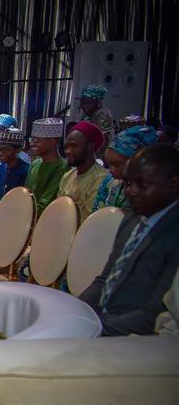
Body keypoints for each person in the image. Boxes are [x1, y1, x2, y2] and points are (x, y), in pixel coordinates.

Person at [78, 143, 179, 335]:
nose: (130, 192)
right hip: (103, 321)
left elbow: (153, 317)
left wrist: (92, 327)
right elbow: (104, 280)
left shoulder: (174, 235)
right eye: (128, 184)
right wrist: (74, 311)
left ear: (174, 184)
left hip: (136, 338)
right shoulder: (132, 220)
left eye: (142, 185)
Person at [93, 125, 158, 212]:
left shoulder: (147, 191)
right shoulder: (109, 182)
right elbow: (96, 212)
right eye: (108, 165)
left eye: (117, 165)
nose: (111, 170)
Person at [58, 120, 109, 223]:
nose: (67, 151)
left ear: (91, 147)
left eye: (73, 146)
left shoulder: (102, 179)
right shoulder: (67, 176)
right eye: (66, 147)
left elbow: (91, 221)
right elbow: (58, 210)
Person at [25, 117, 67, 213]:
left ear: (53, 141)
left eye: (37, 140)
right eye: (32, 139)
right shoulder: (35, 163)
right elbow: (26, 195)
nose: (32, 144)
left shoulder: (62, 167)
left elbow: (46, 204)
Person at [0, 127, 29, 204]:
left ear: (18, 150)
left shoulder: (25, 170)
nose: (1, 154)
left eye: (7, 150)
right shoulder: (1, 167)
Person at [78, 84, 116, 158]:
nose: (85, 106)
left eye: (89, 103)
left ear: (98, 103)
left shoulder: (102, 113)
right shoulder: (86, 114)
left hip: (102, 153)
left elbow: (102, 137)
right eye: (82, 103)